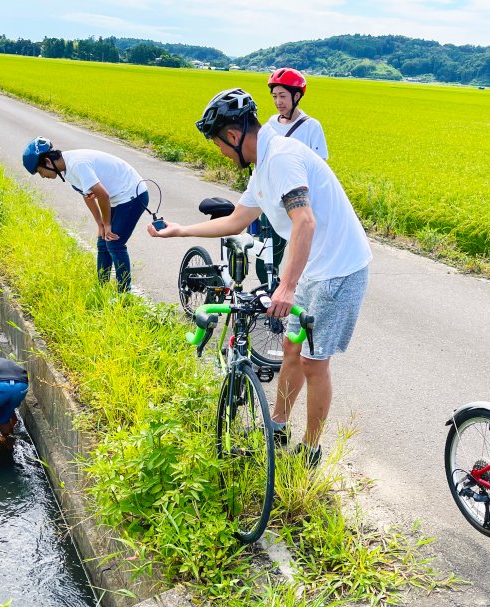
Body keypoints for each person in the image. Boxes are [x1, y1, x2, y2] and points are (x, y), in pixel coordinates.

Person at [148, 88, 371, 465]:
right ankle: (278, 426)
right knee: (290, 350)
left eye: (217, 142)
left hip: (339, 270)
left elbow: (305, 221)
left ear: (233, 136)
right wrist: (180, 230)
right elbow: (238, 219)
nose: (217, 150)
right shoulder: (264, 164)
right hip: (313, 267)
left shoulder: (281, 159)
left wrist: (286, 285)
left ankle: (310, 450)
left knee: (315, 362)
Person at [23, 137, 147, 292]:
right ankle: (101, 288)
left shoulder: (76, 164)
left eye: (41, 172)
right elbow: (88, 195)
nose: (43, 177)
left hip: (133, 194)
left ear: (48, 162)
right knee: (103, 241)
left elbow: (103, 195)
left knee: (115, 243)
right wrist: (100, 224)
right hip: (118, 197)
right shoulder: (66, 169)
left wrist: (107, 224)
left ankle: (124, 294)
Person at [255, 68, 329, 286]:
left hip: (300, 204)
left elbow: (319, 168)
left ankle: (296, 296)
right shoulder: (269, 124)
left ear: (297, 96)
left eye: (283, 96)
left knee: (304, 257)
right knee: (266, 259)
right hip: (273, 203)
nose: (278, 102)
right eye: (275, 96)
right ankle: (272, 296)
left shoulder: (311, 127)